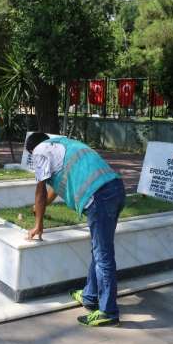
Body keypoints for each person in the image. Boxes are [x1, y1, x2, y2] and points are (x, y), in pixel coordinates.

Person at [25, 133, 124, 327]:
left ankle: (108, 312)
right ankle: (89, 295)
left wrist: (38, 223)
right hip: (115, 188)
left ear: (31, 149)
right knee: (99, 249)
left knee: (103, 255)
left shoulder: (39, 151)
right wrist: (41, 207)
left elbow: (41, 190)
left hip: (99, 196)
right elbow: (54, 188)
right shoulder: (62, 143)